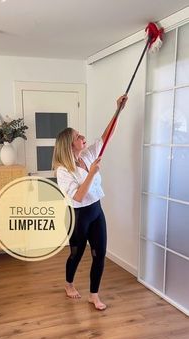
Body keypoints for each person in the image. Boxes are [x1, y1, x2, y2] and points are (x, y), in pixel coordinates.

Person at [52, 95, 128, 310]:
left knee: (99, 253)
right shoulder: (63, 170)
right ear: (70, 144)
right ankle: (69, 284)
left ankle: (94, 295)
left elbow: (106, 136)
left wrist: (118, 110)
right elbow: (77, 197)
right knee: (76, 254)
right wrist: (91, 174)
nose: (83, 137)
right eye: (78, 136)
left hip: (96, 211)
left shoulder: (86, 156)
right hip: (79, 216)